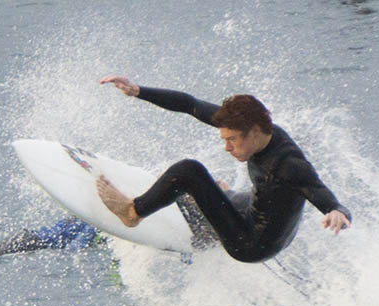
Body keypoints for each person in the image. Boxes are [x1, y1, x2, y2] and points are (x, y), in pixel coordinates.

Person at [96, 75, 352, 263]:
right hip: (255, 212)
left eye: (232, 140)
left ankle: (132, 212)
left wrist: (337, 212)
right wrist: (138, 90)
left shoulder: (290, 166)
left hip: (251, 244)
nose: (227, 148)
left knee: (189, 172)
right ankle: (215, 213)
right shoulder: (255, 129)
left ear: (253, 131)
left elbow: (324, 196)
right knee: (219, 190)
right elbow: (191, 105)